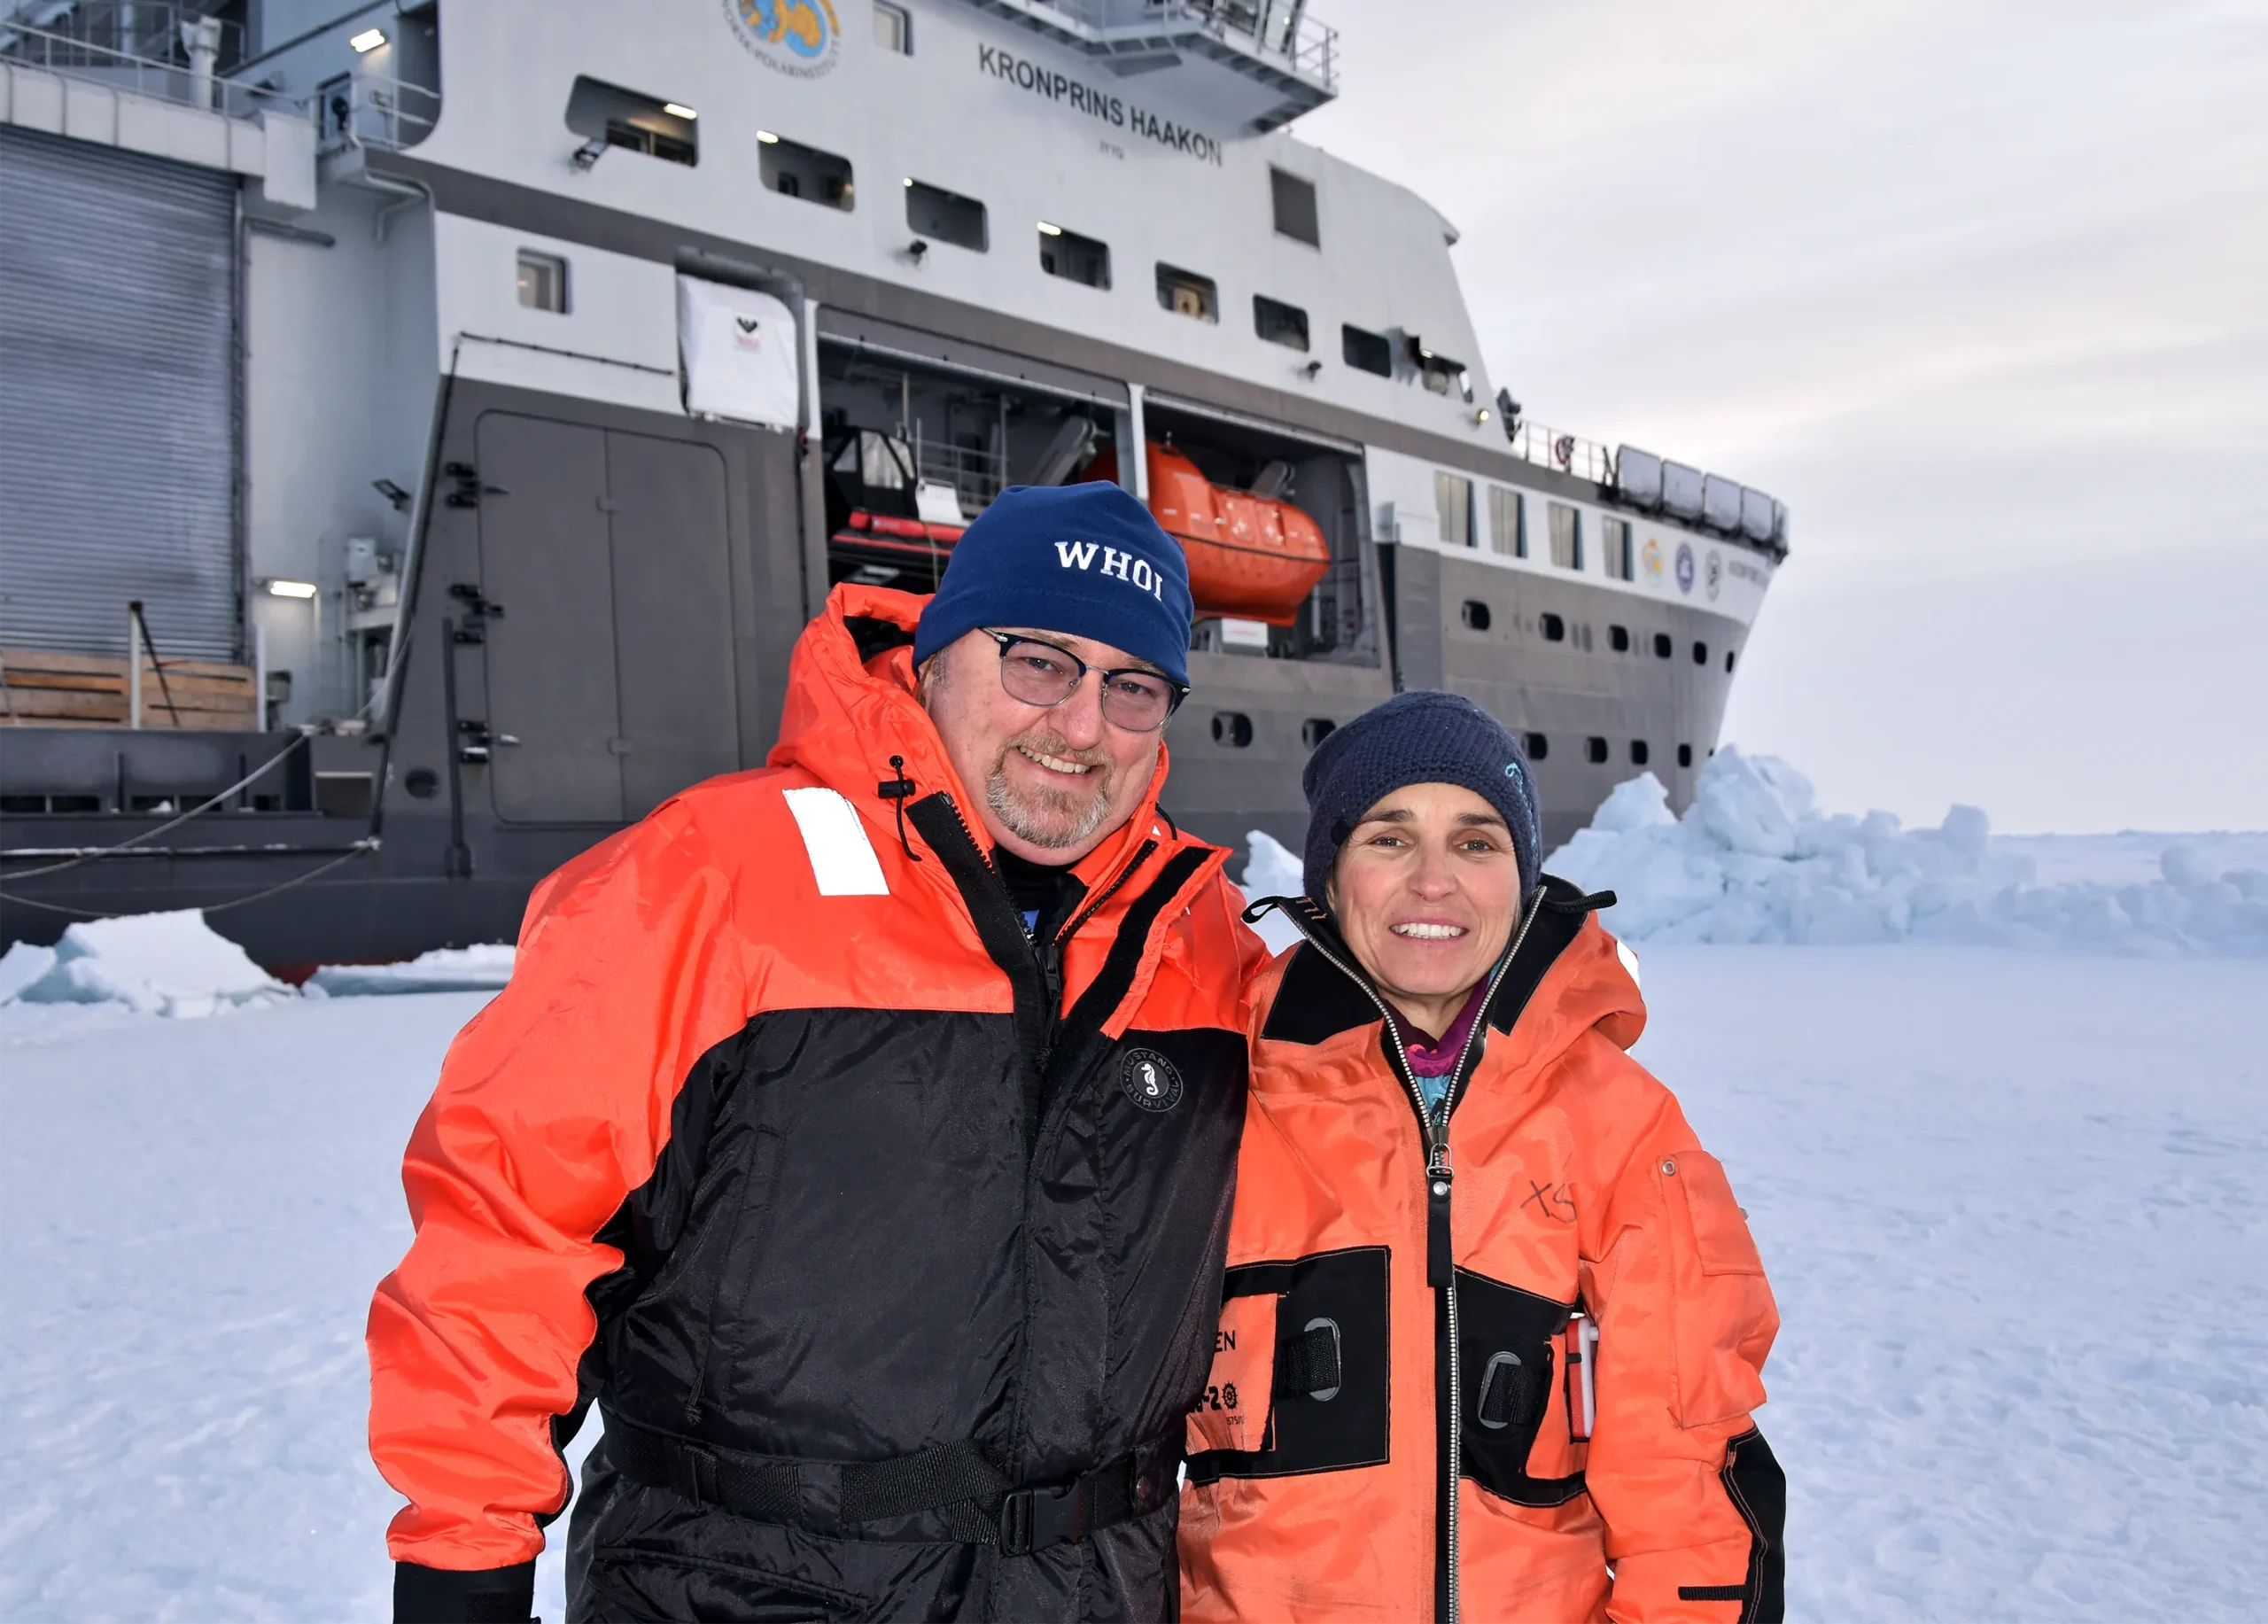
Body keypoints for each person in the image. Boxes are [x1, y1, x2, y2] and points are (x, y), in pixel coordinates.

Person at [368, 482, 1269, 1624]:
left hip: (1097, 1594)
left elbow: (1388, 1121)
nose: (1081, 726)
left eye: (1132, 687)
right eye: (1038, 661)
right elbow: (506, 1225)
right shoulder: (709, 878)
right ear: (935, 656)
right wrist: (463, 1562)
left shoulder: (1201, 943)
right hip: (739, 1591)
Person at [1179, 690, 1785, 1623]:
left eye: (1476, 842)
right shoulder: (1213, 1102)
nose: (1434, 882)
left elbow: (1686, 1489)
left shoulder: (1622, 1130)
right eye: (1387, 838)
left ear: (1523, 875)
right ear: (1329, 879)